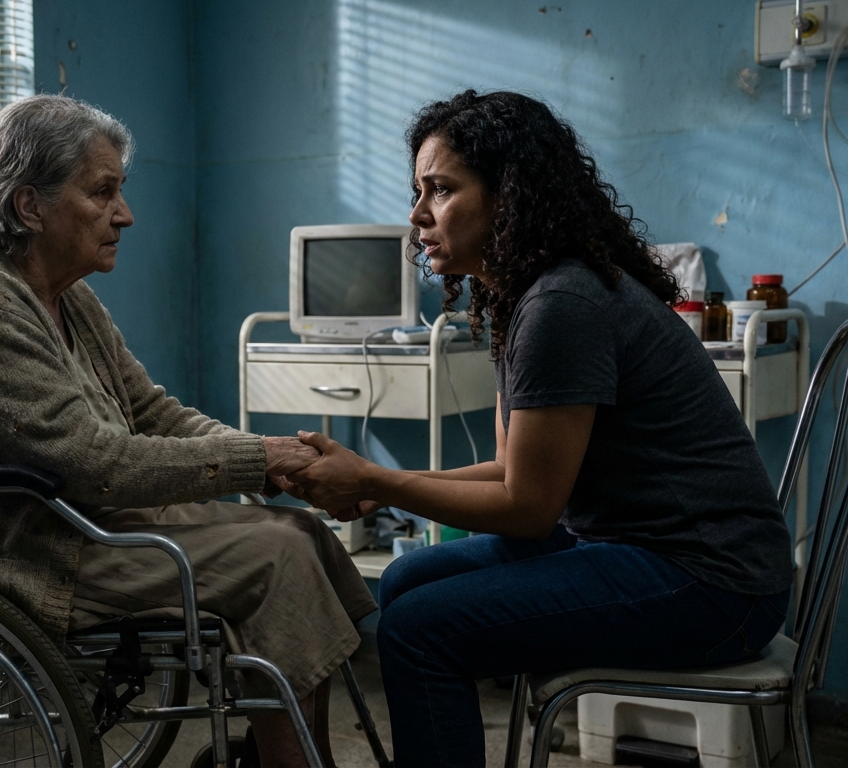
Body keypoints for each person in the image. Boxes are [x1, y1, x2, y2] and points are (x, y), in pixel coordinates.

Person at [283, 90, 793, 767]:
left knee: (416, 629)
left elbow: (526, 508)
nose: (417, 214)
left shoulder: (562, 305)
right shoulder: (527, 297)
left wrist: (376, 478)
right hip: (646, 549)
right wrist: (380, 485)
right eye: (418, 191)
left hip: (714, 582)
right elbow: (511, 470)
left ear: (509, 196)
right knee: (407, 581)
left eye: (441, 189)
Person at [0, 94, 375, 766]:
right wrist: (259, 459)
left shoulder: (66, 295)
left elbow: (149, 412)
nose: (125, 214)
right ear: (30, 206)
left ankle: (279, 753)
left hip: (84, 522)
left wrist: (276, 463)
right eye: (102, 192)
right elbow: (96, 463)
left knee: (302, 533)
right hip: (26, 552)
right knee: (276, 557)